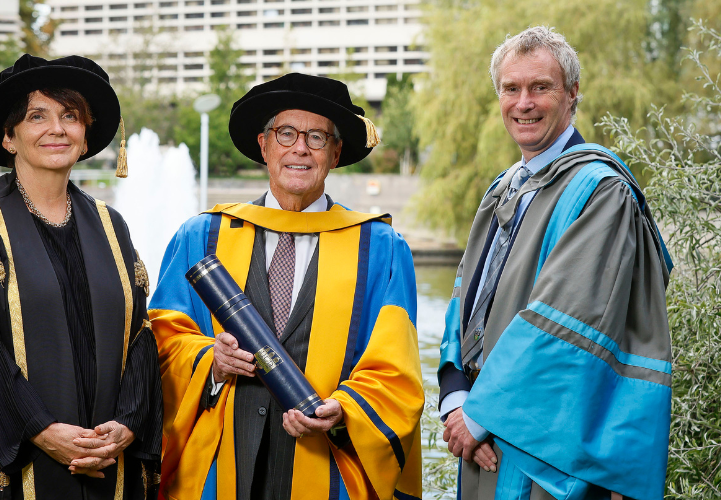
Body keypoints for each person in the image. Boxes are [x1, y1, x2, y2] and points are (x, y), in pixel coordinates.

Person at [148, 73, 424, 500]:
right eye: (287, 133)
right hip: (218, 467)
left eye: (317, 137)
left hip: (327, 470)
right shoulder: (202, 237)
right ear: (264, 146)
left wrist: (345, 411)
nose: (300, 148)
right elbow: (161, 345)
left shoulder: (381, 248)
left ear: (335, 152)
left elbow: (395, 370)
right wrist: (210, 361)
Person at [437, 27, 673, 500]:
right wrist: (456, 399)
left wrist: (482, 415)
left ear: (571, 95)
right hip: (481, 431)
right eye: (511, 88)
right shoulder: (503, 188)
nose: (523, 103)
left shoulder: (600, 191)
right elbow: (465, 299)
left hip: (542, 445)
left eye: (540, 87)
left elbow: (568, 323)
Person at [0, 54, 163, 500]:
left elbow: (140, 334)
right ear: (9, 136)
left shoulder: (110, 225)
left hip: (106, 457)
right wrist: (42, 429)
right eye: (37, 116)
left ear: (85, 133)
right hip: (20, 462)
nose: (57, 129)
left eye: (70, 116)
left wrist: (127, 425)